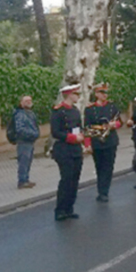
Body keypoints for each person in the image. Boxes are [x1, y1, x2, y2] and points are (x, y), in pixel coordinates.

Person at [50, 84, 85, 221]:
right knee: (66, 179)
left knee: (75, 180)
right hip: (64, 149)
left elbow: (79, 127)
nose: (78, 97)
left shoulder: (75, 110)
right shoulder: (58, 111)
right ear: (69, 95)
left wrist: (83, 138)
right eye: (76, 94)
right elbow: (55, 132)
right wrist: (72, 138)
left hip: (76, 149)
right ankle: (60, 209)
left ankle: (69, 208)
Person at [84, 82, 122, 203]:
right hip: (96, 140)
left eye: (105, 92)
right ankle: (101, 189)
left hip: (110, 140)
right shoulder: (90, 109)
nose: (104, 95)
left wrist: (114, 124)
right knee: (99, 166)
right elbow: (87, 127)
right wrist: (87, 144)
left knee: (108, 166)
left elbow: (120, 121)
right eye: (102, 92)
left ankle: (104, 192)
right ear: (96, 94)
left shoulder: (112, 106)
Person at [10, 95, 40, 189]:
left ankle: (26, 179)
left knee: (28, 161)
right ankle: (22, 181)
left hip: (30, 141)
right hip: (24, 141)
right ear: (21, 103)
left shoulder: (30, 113)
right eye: (26, 101)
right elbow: (20, 129)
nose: (29, 102)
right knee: (23, 161)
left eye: (30, 100)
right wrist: (32, 134)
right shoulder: (20, 114)